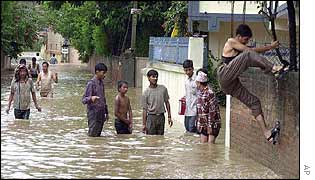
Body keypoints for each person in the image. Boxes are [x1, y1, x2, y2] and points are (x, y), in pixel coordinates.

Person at [217, 24, 285, 144]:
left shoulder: (240, 49)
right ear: (238, 36)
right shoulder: (231, 41)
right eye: (245, 39)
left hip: (230, 84)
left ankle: (267, 134)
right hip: (224, 75)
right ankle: (273, 68)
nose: (247, 41)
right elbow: (249, 52)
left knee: (255, 103)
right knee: (248, 55)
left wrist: (270, 47)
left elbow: (252, 52)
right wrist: (270, 47)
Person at [142, 69, 173, 135]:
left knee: (160, 137)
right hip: (151, 117)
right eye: (153, 77)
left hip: (161, 117)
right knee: (150, 138)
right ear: (148, 78)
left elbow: (167, 103)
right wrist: (144, 125)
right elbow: (144, 109)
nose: (155, 78)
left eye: (156, 77)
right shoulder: (146, 93)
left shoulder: (163, 88)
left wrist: (169, 117)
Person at [82, 63, 109, 137]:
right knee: (92, 134)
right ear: (97, 72)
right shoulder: (91, 83)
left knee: (98, 136)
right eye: (103, 73)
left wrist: (106, 112)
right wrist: (91, 98)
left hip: (101, 113)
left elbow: (103, 98)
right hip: (93, 113)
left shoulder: (101, 83)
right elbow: (84, 100)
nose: (104, 75)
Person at [195, 70, 221, 143]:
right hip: (203, 125)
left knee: (210, 146)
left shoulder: (210, 93)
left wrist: (210, 126)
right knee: (204, 145)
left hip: (213, 124)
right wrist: (198, 123)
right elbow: (199, 111)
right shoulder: (200, 93)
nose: (196, 83)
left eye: (196, 82)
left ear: (199, 83)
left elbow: (212, 111)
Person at [182, 59, 198, 133]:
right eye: (186, 70)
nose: (188, 72)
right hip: (187, 109)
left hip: (195, 109)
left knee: (192, 128)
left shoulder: (197, 80)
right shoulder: (186, 81)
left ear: (193, 68)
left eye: (189, 70)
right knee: (187, 128)